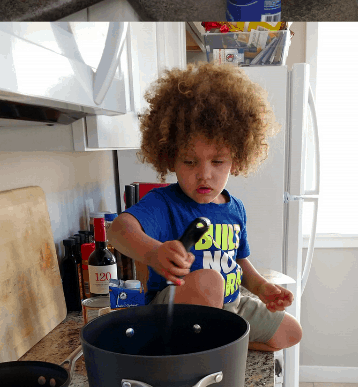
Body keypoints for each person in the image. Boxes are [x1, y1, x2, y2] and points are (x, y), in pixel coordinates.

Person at [108, 63, 302, 353]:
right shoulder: (164, 203)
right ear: (169, 158)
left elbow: (240, 261)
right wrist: (151, 253)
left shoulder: (234, 208)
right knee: (210, 281)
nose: (204, 174)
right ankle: (207, 345)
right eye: (189, 161)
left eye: (218, 162)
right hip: (176, 309)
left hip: (231, 305)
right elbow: (119, 230)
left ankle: (223, 341)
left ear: (237, 160)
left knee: (291, 331)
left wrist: (261, 288)